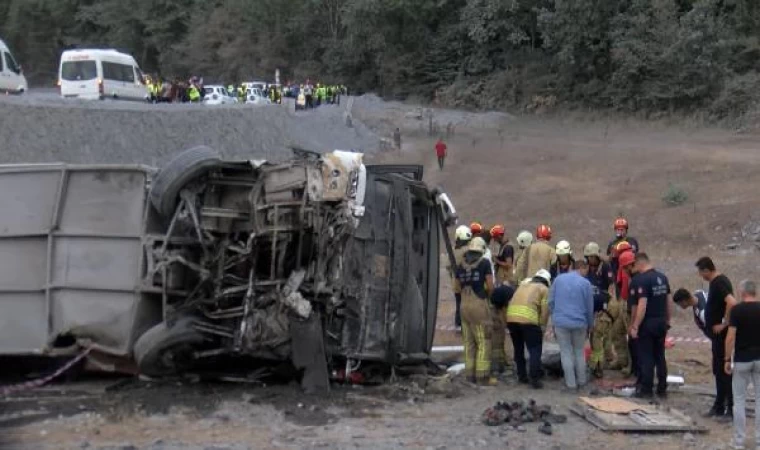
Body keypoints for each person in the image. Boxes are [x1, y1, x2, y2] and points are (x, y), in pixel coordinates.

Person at [698, 256, 738, 420]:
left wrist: (724, 323)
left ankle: (730, 408)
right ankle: (719, 405)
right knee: (718, 370)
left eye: (701, 273)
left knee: (724, 370)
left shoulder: (719, 282)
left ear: (707, 270)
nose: (701, 276)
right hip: (717, 337)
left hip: (722, 336)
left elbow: (732, 302)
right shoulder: (717, 283)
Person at [628, 252, 671, 398]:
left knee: (646, 356)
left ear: (640, 263)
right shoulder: (662, 278)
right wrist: (667, 320)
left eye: (634, 265)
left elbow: (641, 304)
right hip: (661, 321)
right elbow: (667, 301)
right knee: (660, 356)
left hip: (647, 323)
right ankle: (662, 388)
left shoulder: (641, 280)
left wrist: (635, 325)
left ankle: (646, 389)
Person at [453, 237, 496, 385]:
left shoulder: (461, 265)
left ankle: (469, 376)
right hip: (478, 305)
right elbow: (490, 286)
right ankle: (483, 377)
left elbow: (456, 287)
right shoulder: (484, 263)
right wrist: (488, 297)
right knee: (484, 341)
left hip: (464, 306)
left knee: (469, 342)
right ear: (482, 250)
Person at [724, 280, 760, 450]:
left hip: (742, 359)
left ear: (743, 292)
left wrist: (726, 359)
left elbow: (730, 337)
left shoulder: (737, 310)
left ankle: (739, 441)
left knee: (739, 401)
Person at [549, 259, 594, 391]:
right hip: (580, 323)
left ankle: (570, 384)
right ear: (582, 268)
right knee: (579, 352)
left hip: (561, 322)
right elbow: (589, 307)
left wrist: (554, 319)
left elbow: (551, 302)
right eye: (587, 270)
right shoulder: (586, 284)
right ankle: (582, 381)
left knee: (566, 352)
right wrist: (590, 325)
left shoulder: (558, 280)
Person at [506, 269, 552, 389]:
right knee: (535, 350)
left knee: (518, 349)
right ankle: (535, 379)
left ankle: (522, 376)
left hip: (511, 319)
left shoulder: (523, 285)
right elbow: (545, 310)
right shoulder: (544, 289)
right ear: (547, 281)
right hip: (529, 322)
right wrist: (542, 326)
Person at [584, 242, 618, 378]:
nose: (591, 259)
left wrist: (607, 308)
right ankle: (603, 360)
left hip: (603, 307)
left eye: (593, 257)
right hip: (591, 306)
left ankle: (598, 365)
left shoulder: (605, 267)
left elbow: (611, 287)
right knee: (597, 336)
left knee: (598, 336)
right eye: (589, 257)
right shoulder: (587, 269)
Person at [618, 250, 640, 380]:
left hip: (635, 315)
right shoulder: (635, 277)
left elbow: (636, 305)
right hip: (633, 313)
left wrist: (633, 324)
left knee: (635, 344)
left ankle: (635, 370)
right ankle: (634, 368)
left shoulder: (636, 280)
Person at [450, 225, 473, 330]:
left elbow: (448, 267)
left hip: (456, 283)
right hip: (467, 283)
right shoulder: (469, 251)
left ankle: (459, 323)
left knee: (459, 303)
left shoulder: (454, 251)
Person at [490, 283, 515, 376]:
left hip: (495, 307)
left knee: (499, 341)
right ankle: (496, 367)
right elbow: (506, 312)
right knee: (497, 342)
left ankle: (501, 363)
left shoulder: (511, 292)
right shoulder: (511, 296)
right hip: (498, 311)